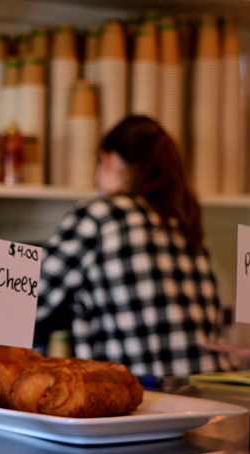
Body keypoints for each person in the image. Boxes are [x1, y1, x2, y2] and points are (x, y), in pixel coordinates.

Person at [35, 116, 221, 378]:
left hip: (141, 394)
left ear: (107, 160)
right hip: (207, 392)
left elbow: (30, 296)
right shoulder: (181, 221)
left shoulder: (100, 217)